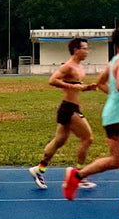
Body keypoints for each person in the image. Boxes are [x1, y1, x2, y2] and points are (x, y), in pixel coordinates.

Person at [62, 25, 119, 214]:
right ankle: (77, 175)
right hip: (117, 117)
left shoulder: (114, 61)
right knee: (117, 160)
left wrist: (114, 98)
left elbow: (100, 83)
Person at [29, 37, 98, 190]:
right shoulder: (69, 66)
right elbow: (52, 80)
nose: (87, 51)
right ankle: (79, 174)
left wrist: (85, 87)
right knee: (88, 138)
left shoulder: (79, 67)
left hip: (71, 107)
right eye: (84, 48)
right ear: (76, 50)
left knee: (59, 141)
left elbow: (76, 86)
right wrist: (74, 86)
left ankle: (39, 169)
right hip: (69, 108)